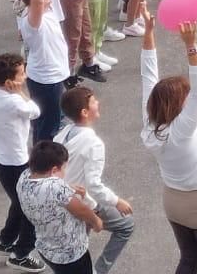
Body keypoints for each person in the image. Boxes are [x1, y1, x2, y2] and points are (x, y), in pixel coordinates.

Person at [140, 14, 197, 274]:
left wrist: (149, 34)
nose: (190, 99)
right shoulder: (182, 129)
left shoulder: (151, 125)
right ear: (179, 103)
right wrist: (191, 45)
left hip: (173, 201)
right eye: (185, 96)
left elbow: (148, 77)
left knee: (189, 258)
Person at [55, 86, 136, 274]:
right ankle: (99, 271)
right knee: (126, 226)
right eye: (93, 101)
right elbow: (93, 184)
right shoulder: (94, 144)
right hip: (82, 201)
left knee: (77, 246)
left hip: (67, 199)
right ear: (84, 112)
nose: (97, 102)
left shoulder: (65, 132)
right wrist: (118, 201)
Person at [0, 53, 43, 271]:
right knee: (30, 209)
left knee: (18, 203)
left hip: (4, 160)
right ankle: (20, 254)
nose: (26, 76)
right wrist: (20, 92)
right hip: (16, 164)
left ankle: (5, 240)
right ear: (10, 81)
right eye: (22, 74)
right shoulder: (14, 102)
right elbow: (36, 111)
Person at [16, 140, 103, 274]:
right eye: (64, 168)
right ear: (54, 170)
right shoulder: (56, 188)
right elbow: (82, 211)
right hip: (70, 254)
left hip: (46, 247)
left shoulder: (24, 177)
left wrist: (65, 191)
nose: (65, 172)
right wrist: (96, 222)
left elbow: (46, 193)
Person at [16, 0, 73, 142]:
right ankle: (44, 161)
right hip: (47, 80)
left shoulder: (44, 13)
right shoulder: (33, 21)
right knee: (48, 126)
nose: (49, 2)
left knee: (47, 120)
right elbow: (38, 1)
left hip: (51, 76)